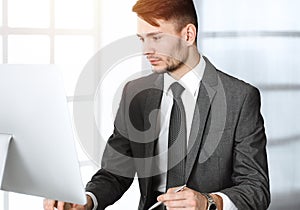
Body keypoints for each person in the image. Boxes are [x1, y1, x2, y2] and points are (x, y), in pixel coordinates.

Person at [44, 0, 270, 209]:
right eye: (142, 39)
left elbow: (256, 188)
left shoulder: (239, 98)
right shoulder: (134, 94)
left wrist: (208, 202)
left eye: (157, 38)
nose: (146, 51)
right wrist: (86, 201)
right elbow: (114, 173)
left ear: (188, 35)